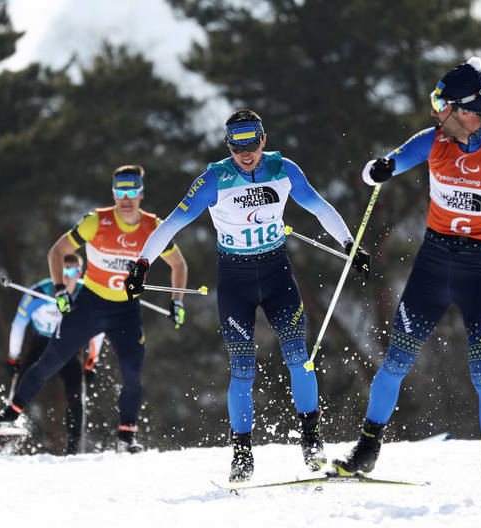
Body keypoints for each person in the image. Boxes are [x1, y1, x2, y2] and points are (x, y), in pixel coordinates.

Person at [331, 57, 481, 499]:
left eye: (441, 102)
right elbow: (376, 170)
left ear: (464, 109)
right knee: (396, 361)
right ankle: (366, 450)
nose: (434, 110)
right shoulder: (433, 140)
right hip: (434, 264)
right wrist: (379, 168)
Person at [124, 109, 371, 482]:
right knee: (242, 370)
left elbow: (320, 208)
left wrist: (350, 244)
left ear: (263, 140)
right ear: (228, 145)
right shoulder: (213, 179)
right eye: (238, 146)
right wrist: (141, 264)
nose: (246, 154)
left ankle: (311, 442)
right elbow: (172, 223)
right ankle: (241, 454)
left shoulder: (284, 169)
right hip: (236, 280)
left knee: (298, 358)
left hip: (276, 274)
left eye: (252, 144)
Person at [0, 165, 189, 453]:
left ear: (141, 192)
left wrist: (177, 300)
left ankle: (126, 438)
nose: (126, 197)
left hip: (125, 312)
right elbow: (57, 251)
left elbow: (178, 264)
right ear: (113, 193)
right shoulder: (97, 221)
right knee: (49, 362)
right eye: (120, 190)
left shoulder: (154, 227)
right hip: (89, 306)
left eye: (131, 190)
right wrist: (58, 289)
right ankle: (8, 415)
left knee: (132, 374)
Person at [5, 253, 104, 455]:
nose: (67, 276)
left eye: (72, 271)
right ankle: (5, 429)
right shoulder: (39, 292)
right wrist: (12, 356)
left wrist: (93, 359)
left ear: (80, 273)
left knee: (75, 393)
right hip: (41, 341)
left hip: (69, 345)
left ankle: (73, 447)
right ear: (55, 271)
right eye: (62, 271)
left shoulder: (87, 294)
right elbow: (18, 324)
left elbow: (99, 329)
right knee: (24, 382)